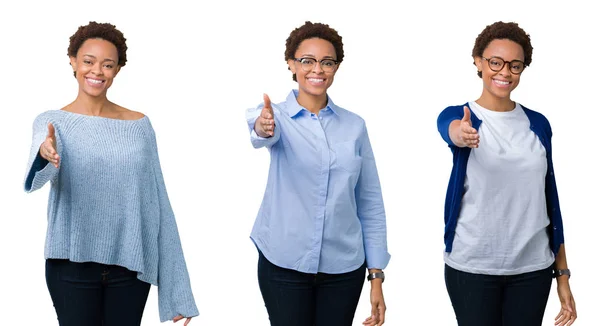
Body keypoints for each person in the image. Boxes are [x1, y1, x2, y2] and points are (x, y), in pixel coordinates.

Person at [23, 21, 198, 326]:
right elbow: (35, 177)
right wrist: (45, 154)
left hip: (130, 268)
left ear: (117, 70)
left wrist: (177, 289)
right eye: (88, 61)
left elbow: (158, 206)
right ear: (73, 62)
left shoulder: (139, 126)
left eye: (108, 64)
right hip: (70, 266)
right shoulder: (52, 122)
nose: (97, 71)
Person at [245, 21, 390, 326]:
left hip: (344, 269)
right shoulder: (276, 116)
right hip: (284, 264)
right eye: (307, 61)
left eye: (327, 62)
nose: (318, 70)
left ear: (337, 67)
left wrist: (375, 274)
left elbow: (370, 202)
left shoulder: (354, 126)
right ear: (291, 64)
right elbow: (261, 132)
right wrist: (263, 125)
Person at [437, 21, 577, 326]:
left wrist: (562, 275)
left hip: (533, 269)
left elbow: (549, 200)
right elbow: (449, 129)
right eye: (495, 62)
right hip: (472, 268)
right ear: (478, 61)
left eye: (515, 65)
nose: (504, 72)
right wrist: (460, 134)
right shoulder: (462, 116)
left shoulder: (538, 124)